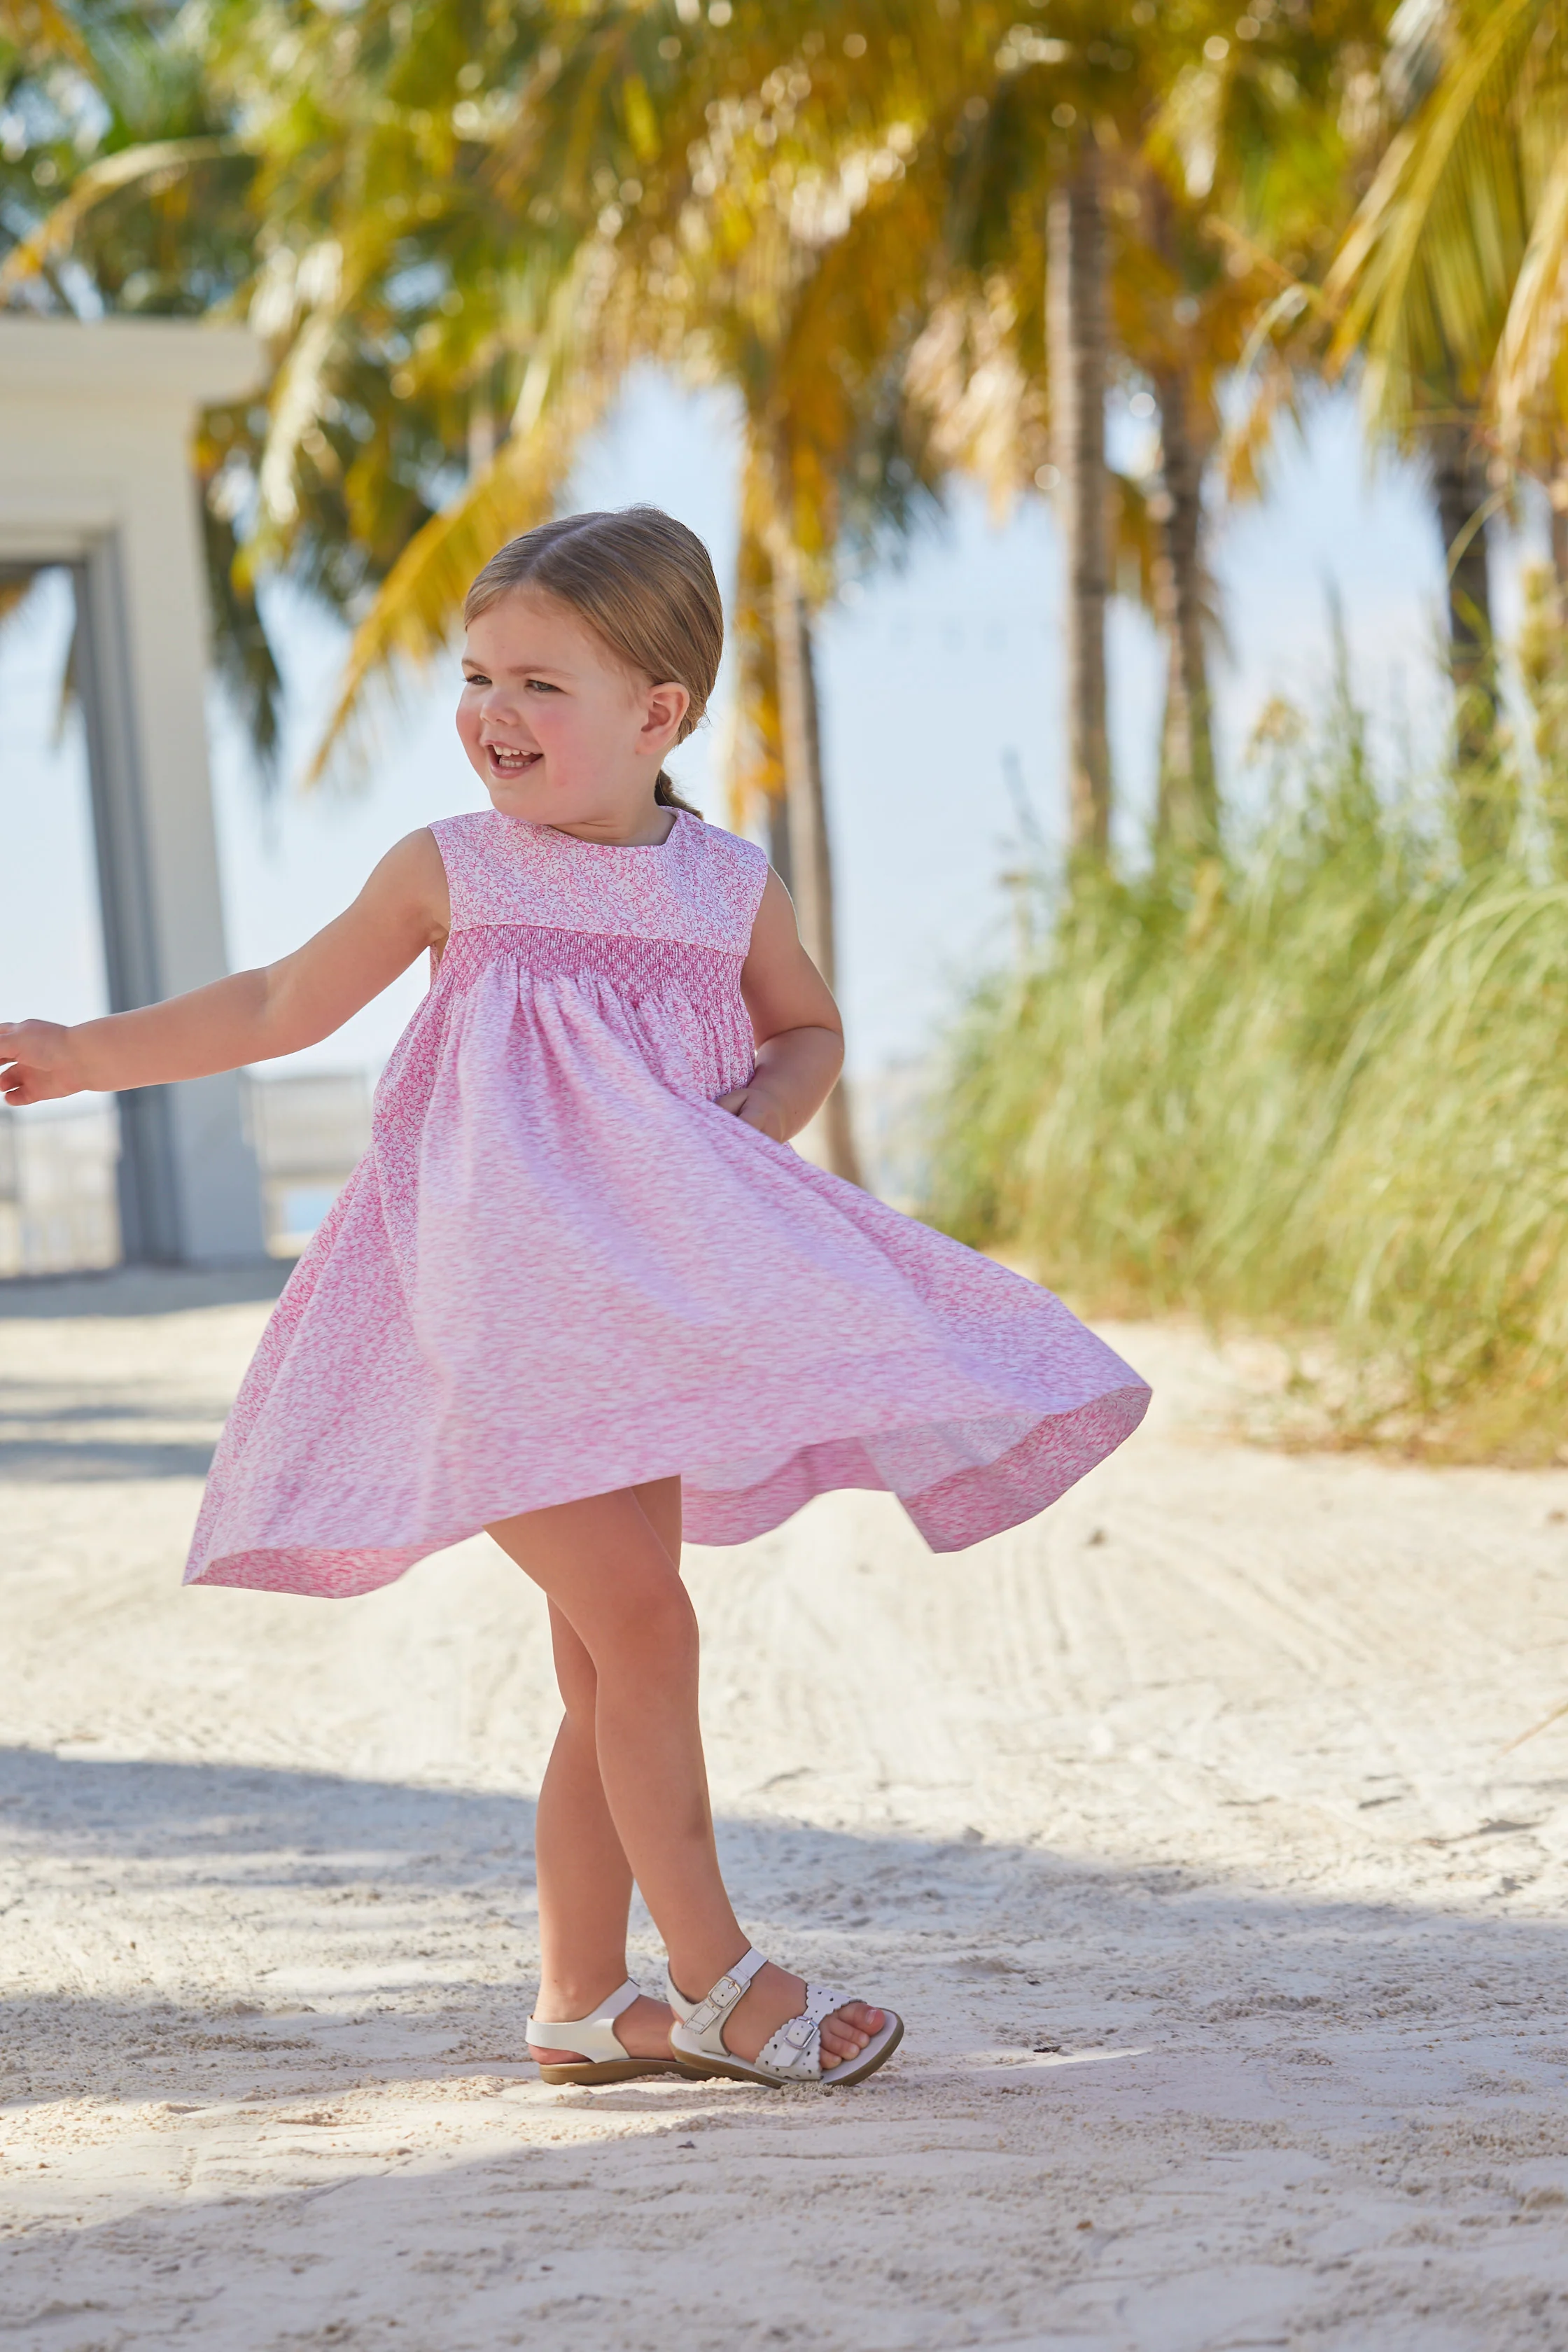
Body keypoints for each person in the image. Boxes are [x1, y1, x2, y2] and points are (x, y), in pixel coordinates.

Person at [0, 506, 1149, 2090]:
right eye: (477, 677)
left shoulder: (722, 886)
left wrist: (756, 1125)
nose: (493, 714)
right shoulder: (451, 872)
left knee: (601, 1663)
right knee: (647, 1628)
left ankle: (577, 1998)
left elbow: (807, 1029)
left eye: (540, 684)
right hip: (486, 1311)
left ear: (657, 712)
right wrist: (84, 1049)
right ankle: (721, 1976)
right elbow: (278, 1002)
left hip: (642, 1319)